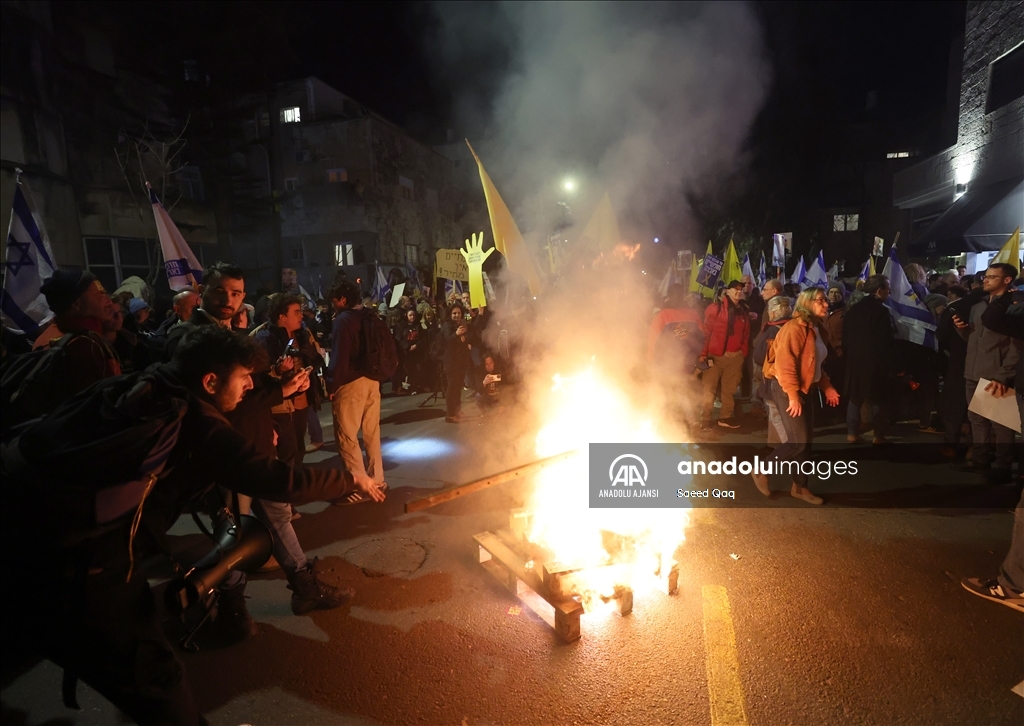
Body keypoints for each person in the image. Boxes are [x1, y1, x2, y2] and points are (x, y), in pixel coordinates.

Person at [1, 324, 384, 726]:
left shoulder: (142, 383)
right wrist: (349, 478)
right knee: (157, 681)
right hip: (84, 564)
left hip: (19, 536)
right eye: (243, 377)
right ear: (210, 381)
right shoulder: (195, 419)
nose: (250, 385)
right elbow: (276, 480)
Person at [756, 288, 840, 504]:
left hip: (804, 388)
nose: (826, 304)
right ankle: (761, 470)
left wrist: (827, 386)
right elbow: (786, 366)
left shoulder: (815, 328)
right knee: (797, 441)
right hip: (785, 388)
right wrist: (793, 396)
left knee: (806, 442)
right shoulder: (795, 328)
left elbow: (812, 365)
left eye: (825, 300)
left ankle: (800, 488)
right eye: (820, 300)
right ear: (807, 302)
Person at [952, 263, 1019, 484]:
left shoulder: (1014, 308)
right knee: (977, 418)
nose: (986, 280)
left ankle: (1002, 465)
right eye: (986, 276)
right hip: (973, 370)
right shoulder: (978, 307)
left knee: (1001, 422)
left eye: (992, 277)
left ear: (1007, 280)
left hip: (995, 374)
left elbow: (1016, 347)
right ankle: (980, 459)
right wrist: (962, 330)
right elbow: (972, 340)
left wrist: (1004, 374)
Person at [327, 280, 386, 489]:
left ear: (343, 299)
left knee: (347, 436)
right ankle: (377, 480)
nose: (333, 305)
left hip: (351, 383)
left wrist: (332, 385)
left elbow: (340, 357)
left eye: (334, 301)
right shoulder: (369, 315)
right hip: (372, 380)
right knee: (372, 433)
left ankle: (361, 486)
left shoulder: (343, 321)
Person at [33, 270, 120, 392]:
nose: (109, 302)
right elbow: (103, 401)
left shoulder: (57, 335)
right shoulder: (83, 345)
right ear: (77, 304)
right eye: (100, 295)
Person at [842, 274, 895, 444]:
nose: (890, 292)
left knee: (855, 397)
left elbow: (845, 338)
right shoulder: (881, 311)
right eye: (887, 289)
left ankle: (852, 433)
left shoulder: (853, 310)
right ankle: (878, 436)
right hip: (875, 362)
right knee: (879, 399)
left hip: (855, 361)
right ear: (879, 291)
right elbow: (884, 340)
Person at [699, 280, 750, 429]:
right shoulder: (716, 308)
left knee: (729, 390)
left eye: (740, 289)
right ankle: (705, 419)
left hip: (735, 358)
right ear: (727, 291)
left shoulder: (743, 311)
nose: (738, 291)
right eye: (735, 289)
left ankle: (725, 417)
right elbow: (706, 332)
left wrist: (742, 352)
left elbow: (745, 334)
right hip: (715, 357)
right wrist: (703, 354)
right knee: (709, 389)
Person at [752, 295, 793, 446]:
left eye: (769, 309)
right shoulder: (793, 326)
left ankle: (787, 449)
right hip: (787, 377)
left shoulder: (774, 330)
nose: (768, 312)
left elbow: (759, 356)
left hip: (775, 377)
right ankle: (775, 444)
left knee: (777, 415)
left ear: (775, 312)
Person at [439, 304, 478, 423]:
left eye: (459, 313)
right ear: (450, 315)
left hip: (461, 361)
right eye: (454, 313)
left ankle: (457, 410)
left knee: (458, 387)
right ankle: (450, 414)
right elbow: (447, 340)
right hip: (451, 361)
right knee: (452, 387)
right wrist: (456, 334)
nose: (457, 315)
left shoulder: (462, 324)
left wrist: (465, 338)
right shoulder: (447, 325)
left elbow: (470, 335)